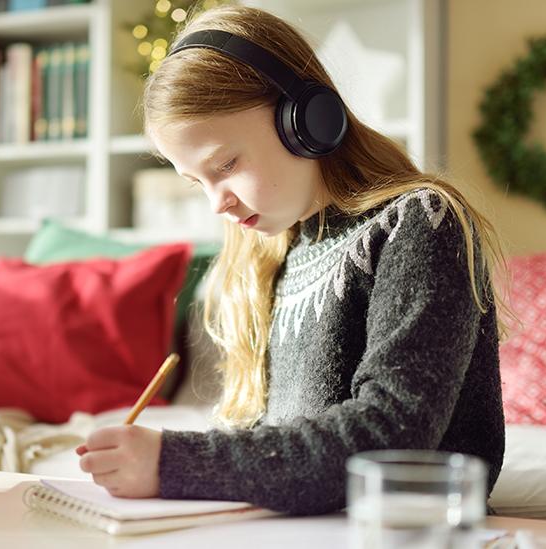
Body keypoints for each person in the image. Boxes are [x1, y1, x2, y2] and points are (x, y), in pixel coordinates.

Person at [75, 5, 507, 515]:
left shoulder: (421, 223)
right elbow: (269, 443)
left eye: (226, 165)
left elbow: (393, 434)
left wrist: (174, 462)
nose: (217, 203)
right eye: (198, 182)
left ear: (306, 119)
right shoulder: (272, 253)